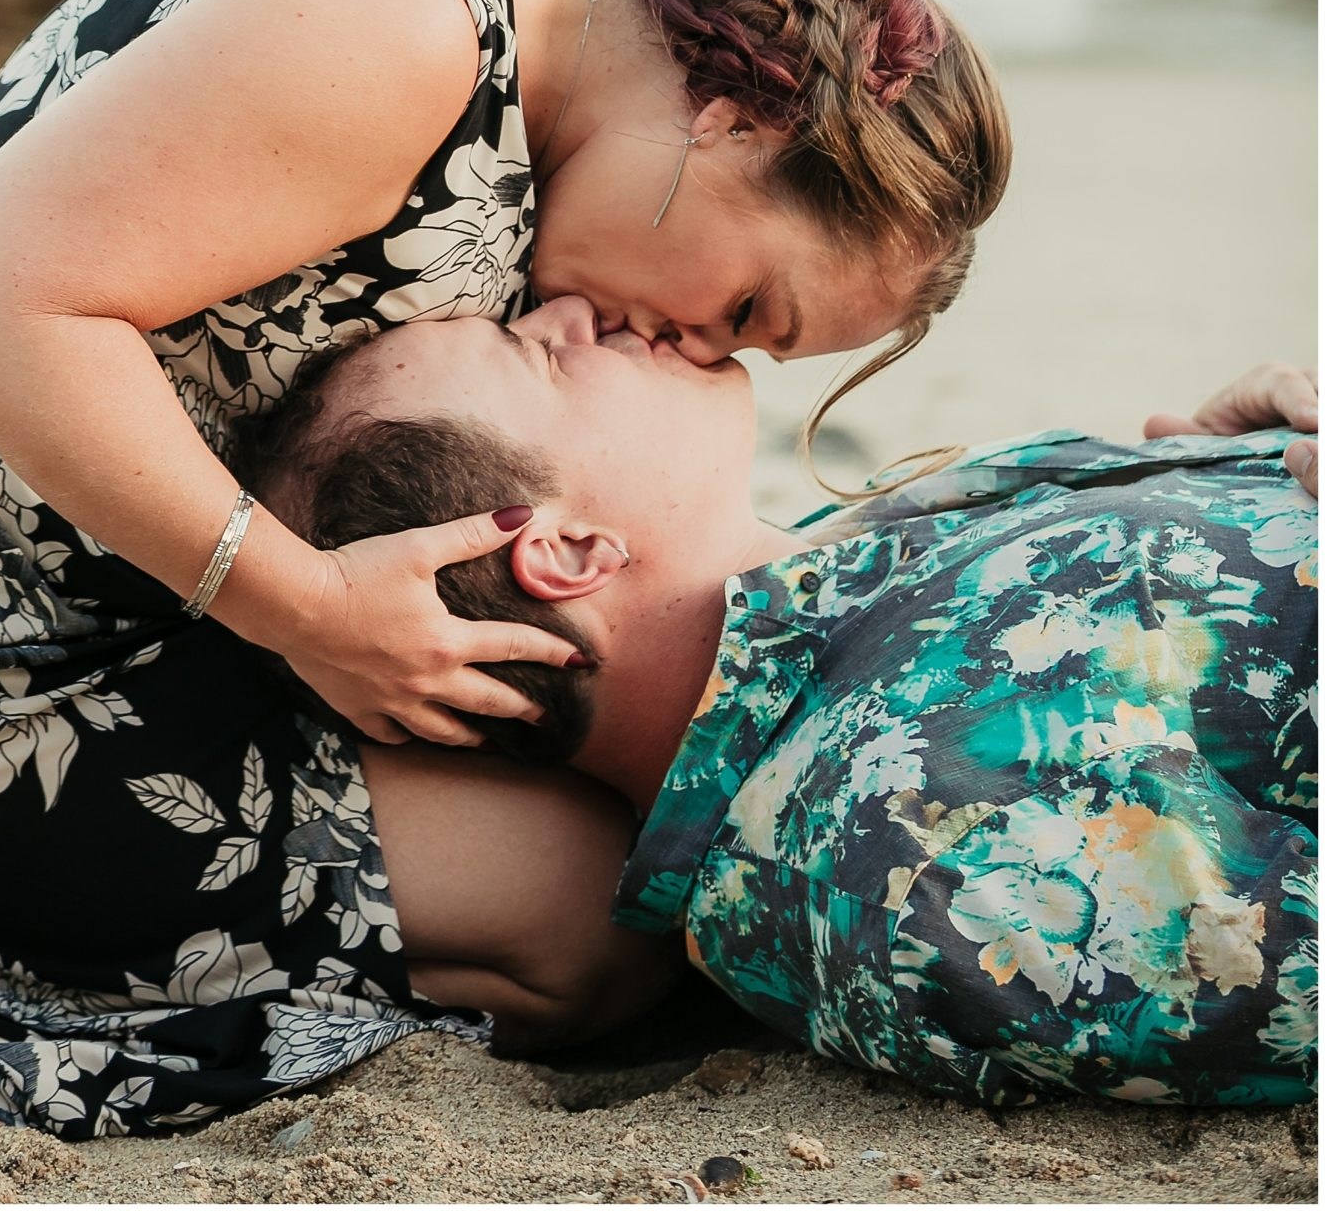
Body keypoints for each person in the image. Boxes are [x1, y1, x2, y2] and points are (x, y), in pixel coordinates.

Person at [0, 0, 1008, 1134]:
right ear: (734, 119)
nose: (693, 352)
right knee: (601, 920)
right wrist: (304, 606)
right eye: (738, 313)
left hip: (133, 615)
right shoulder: (405, 30)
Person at [242, 302, 1318, 1109]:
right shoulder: (904, 860)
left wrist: (1220, 462)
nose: (575, 306)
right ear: (565, 551)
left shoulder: (844, 566)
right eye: (541, 349)